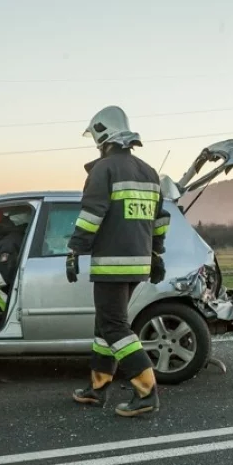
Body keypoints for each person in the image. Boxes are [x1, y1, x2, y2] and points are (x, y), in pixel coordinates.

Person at [66, 105, 171, 418]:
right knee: (105, 325)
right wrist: (156, 253)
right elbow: (160, 219)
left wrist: (75, 250)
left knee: (114, 326)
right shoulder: (149, 172)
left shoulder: (104, 170)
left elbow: (91, 215)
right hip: (137, 264)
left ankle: (146, 390)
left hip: (112, 264)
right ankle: (97, 389)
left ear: (102, 136)